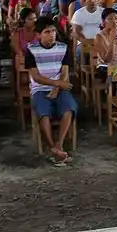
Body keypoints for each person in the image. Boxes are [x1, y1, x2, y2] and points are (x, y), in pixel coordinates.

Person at [24, 18, 76, 165]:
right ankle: (51, 145)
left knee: (68, 108)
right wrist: (56, 83)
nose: (52, 34)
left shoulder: (63, 47)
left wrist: (58, 87)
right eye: (47, 32)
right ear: (39, 35)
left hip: (61, 86)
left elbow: (65, 73)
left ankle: (59, 144)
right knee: (43, 113)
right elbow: (36, 77)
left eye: (53, 31)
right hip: (39, 88)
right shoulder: (31, 49)